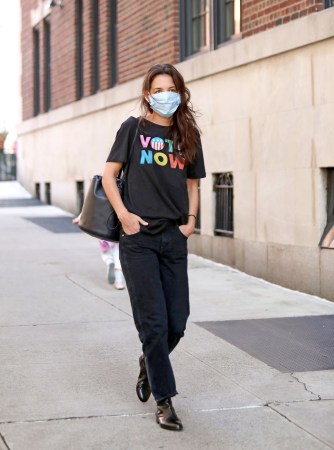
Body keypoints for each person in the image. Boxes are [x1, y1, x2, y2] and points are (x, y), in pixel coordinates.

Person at [102, 63, 206, 431]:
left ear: (181, 92)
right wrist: (125, 216)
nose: (166, 95)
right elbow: (109, 175)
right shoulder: (133, 129)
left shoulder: (187, 133)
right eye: (159, 89)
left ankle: (150, 361)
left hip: (174, 238)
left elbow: (193, 183)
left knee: (177, 321)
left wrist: (190, 222)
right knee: (154, 323)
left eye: (171, 88)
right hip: (139, 239)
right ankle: (164, 400)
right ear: (148, 93)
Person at [72, 216, 125, 289]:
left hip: (105, 230)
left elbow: (90, 205)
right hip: (119, 230)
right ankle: (119, 282)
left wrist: (80, 217)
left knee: (106, 253)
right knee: (118, 257)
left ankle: (109, 262)